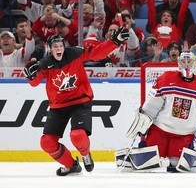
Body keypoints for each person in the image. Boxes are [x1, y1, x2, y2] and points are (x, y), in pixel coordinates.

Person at [23, 27, 129, 176]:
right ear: (50, 50)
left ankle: (86, 155)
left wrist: (114, 42)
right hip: (58, 106)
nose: (59, 48)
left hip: (80, 101)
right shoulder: (45, 63)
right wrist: (29, 73)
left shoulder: (75, 53)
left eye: (61, 45)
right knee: (46, 142)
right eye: (55, 46)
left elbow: (97, 53)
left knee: (78, 135)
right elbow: (34, 82)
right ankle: (71, 165)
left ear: (64, 47)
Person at [116, 51, 196, 173]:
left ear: (195, 63)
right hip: (160, 130)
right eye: (183, 61)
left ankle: (188, 156)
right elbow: (152, 105)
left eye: (189, 61)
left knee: (178, 165)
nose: (186, 64)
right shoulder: (166, 78)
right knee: (147, 161)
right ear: (179, 63)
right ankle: (133, 157)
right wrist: (142, 122)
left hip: (184, 134)